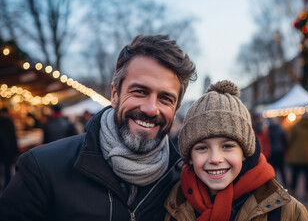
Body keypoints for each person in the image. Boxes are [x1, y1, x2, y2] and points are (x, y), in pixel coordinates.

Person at [0, 34, 197, 221]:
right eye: (139, 91)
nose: (151, 109)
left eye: (165, 98)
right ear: (114, 94)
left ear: (176, 108)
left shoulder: (185, 185)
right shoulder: (41, 170)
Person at [164, 80, 308, 221]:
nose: (215, 158)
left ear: (245, 153)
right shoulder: (172, 203)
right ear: (189, 157)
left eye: (227, 146)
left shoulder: (289, 213)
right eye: (202, 148)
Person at [287, 113, 308, 200]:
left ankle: (293, 190)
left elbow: (289, 140)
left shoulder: (295, 127)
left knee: (295, 174)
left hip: (296, 155)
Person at [0, 108, 18, 191]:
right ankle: (8, 186)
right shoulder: (10, 122)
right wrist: (15, 151)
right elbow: (13, 138)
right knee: (7, 169)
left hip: (3, 150)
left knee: (6, 168)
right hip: (8, 150)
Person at [268, 118, 288, 187]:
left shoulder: (268, 130)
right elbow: (285, 141)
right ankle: (285, 183)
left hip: (272, 151)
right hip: (280, 151)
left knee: (274, 169)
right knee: (282, 168)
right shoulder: (281, 129)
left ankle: (275, 184)